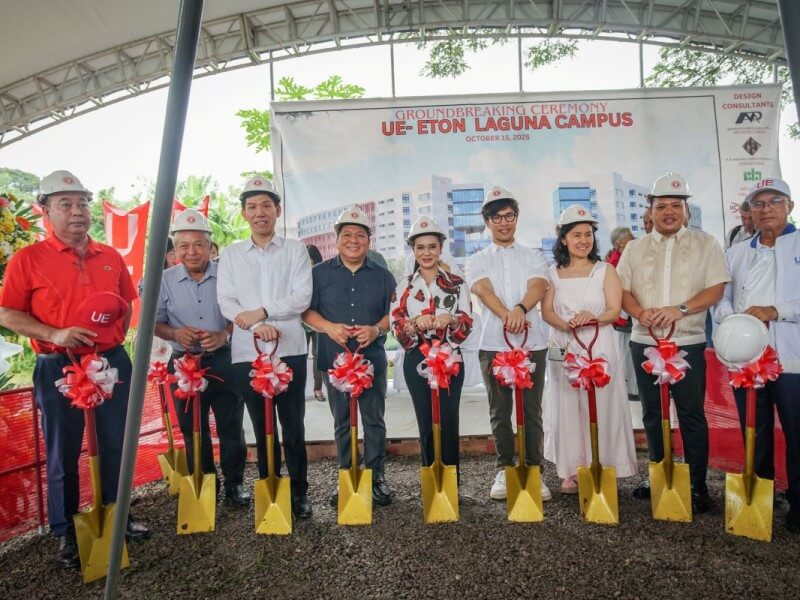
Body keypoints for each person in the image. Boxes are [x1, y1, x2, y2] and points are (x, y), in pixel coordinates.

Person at [0, 170, 148, 569]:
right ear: (45, 211)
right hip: (59, 366)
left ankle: (119, 516)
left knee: (117, 442)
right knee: (62, 451)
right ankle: (66, 532)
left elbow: (126, 303)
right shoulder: (27, 259)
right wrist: (56, 332)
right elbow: (8, 313)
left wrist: (109, 339)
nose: (77, 211)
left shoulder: (110, 256)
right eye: (65, 204)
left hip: (111, 361)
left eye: (82, 202)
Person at [618, 172, 730, 513]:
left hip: (688, 342)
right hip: (643, 341)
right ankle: (659, 475)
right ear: (650, 211)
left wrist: (678, 309)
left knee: (691, 414)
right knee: (652, 413)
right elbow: (621, 289)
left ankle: (696, 484)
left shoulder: (705, 243)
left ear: (687, 211)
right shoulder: (634, 248)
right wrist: (639, 312)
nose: (669, 212)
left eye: (676, 206)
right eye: (662, 205)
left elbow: (716, 288)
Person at [217, 176, 313, 519]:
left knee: (293, 424)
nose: (260, 213)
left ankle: (299, 492)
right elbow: (226, 301)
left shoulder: (296, 250)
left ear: (278, 210)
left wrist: (264, 312)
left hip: (289, 350)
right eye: (253, 207)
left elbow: (302, 297)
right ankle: (269, 486)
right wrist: (258, 326)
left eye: (267, 206)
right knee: (261, 424)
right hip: (248, 352)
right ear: (244, 213)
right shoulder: (230, 255)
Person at [714, 178, 800, 533]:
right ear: (749, 212)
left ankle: (798, 504)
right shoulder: (735, 253)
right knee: (755, 429)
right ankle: (759, 498)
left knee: (797, 432)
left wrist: (775, 309)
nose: (766, 209)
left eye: (774, 201)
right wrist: (731, 320)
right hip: (746, 359)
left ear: (790, 206)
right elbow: (721, 298)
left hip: (793, 359)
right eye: (758, 203)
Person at [303, 205, 397, 507]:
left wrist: (376, 330)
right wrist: (329, 328)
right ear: (337, 238)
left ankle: (376, 477)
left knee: (373, 419)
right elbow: (306, 312)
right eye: (347, 234)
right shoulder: (317, 274)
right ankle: (347, 474)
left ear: (368, 240)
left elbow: (393, 316)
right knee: (342, 421)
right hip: (334, 359)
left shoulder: (383, 276)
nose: (353, 240)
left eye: (360, 234)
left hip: (371, 360)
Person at [154, 209, 248, 505]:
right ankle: (205, 486)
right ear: (175, 249)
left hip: (224, 360)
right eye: (183, 246)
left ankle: (235, 485)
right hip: (183, 364)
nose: (191, 252)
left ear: (210, 247)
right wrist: (175, 334)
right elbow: (153, 323)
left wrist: (225, 334)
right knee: (192, 429)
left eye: (198, 245)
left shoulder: (230, 276)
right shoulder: (163, 281)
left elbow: (243, 314)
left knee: (230, 425)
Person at [542, 206, 637, 493]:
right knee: (568, 405)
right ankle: (572, 469)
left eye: (588, 235)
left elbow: (614, 310)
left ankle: (604, 463)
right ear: (563, 239)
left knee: (603, 403)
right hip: (565, 346)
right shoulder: (552, 274)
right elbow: (547, 312)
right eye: (576, 235)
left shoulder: (605, 270)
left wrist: (590, 318)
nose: (583, 241)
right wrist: (567, 325)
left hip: (599, 345)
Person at [466, 186, 551, 502]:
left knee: (531, 409)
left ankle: (534, 470)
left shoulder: (534, 255)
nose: (504, 223)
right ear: (487, 221)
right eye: (497, 217)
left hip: (533, 344)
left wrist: (520, 309)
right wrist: (507, 314)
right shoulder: (477, 259)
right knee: (500, 410)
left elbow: (538, 286)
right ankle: (505, 467)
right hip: (493, 344)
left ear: (516, 218)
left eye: (510, 216)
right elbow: (484, 291)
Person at [390, 217, 473, 474]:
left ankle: (451, 484)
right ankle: (430, 479)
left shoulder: (457, 284)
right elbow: (396, 326)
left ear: (440, 248)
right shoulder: (404, 286)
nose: (426, 253)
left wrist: (452, 319)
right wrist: (414, 323)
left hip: (449, 359)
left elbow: (467, 325)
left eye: (432, 247)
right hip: (418, 359)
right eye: (420, 247)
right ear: (413, 250)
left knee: (448, 420)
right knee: (426, 421)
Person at [606, 226, 638, 396]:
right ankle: (631, 390)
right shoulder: (616, 260)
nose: (634, 239)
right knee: (626, 355)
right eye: (630, 237)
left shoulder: (621, 257)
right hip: (623, 317)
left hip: (625, 316)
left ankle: (632, 388)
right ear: (619, 243)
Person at [304, 244, 326, 402]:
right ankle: (297, 391)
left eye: (310, 260)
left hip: (318, 319)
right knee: (299, 356)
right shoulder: (296, 273)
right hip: (300, 320)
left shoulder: (321, 274)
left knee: (318, 355)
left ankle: (318, 388)